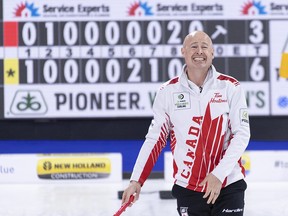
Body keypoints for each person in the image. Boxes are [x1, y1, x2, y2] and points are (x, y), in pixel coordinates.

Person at [121, 31, 250, 216]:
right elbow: (155, 140)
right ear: (183, 51)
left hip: (228, 184)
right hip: (188, 188)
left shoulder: (230, 87)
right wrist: (136, 181)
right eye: (194, 46)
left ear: (212, 52)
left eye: (204, 47)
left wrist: (218, 174)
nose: (199, 51)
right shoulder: (167, 92)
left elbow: (242, 134)